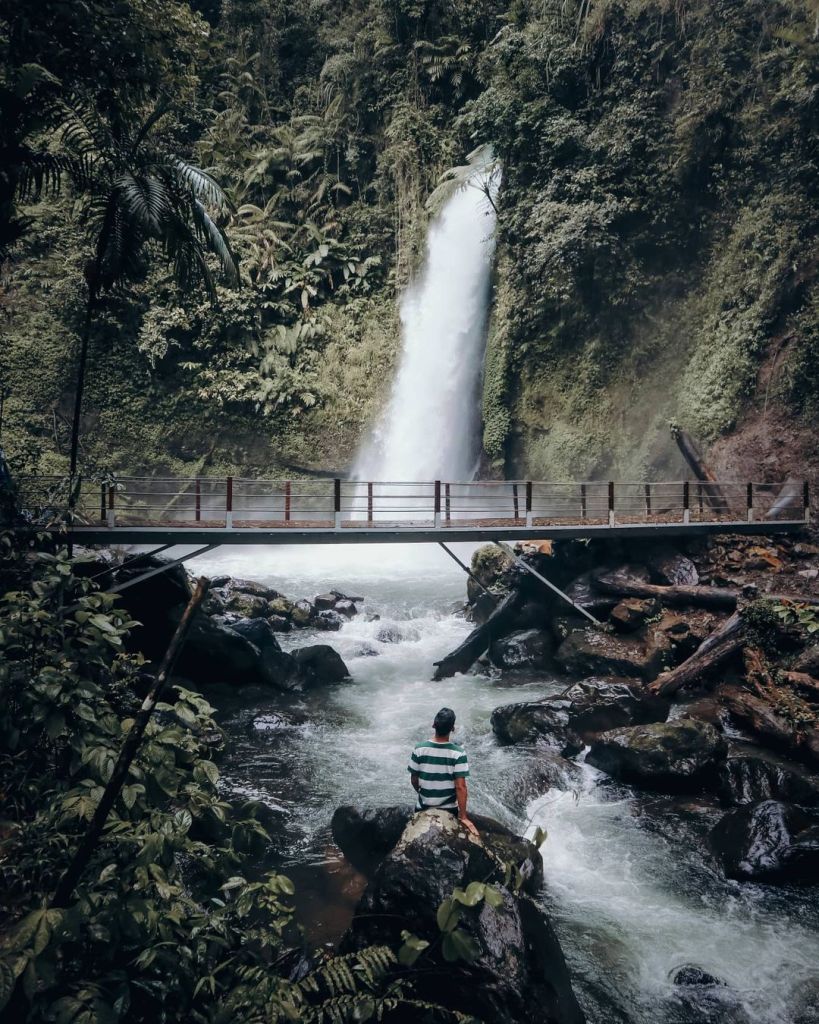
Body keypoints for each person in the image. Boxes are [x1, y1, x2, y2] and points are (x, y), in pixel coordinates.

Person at [407, 707, 478, 835]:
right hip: (448, 811)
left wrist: (423, 792)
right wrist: (463, 817)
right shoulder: (458, 753)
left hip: (422, 808)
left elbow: (414, 780)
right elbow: (461, 787)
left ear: (434, 725)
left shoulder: (419, 749)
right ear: (452, 729)